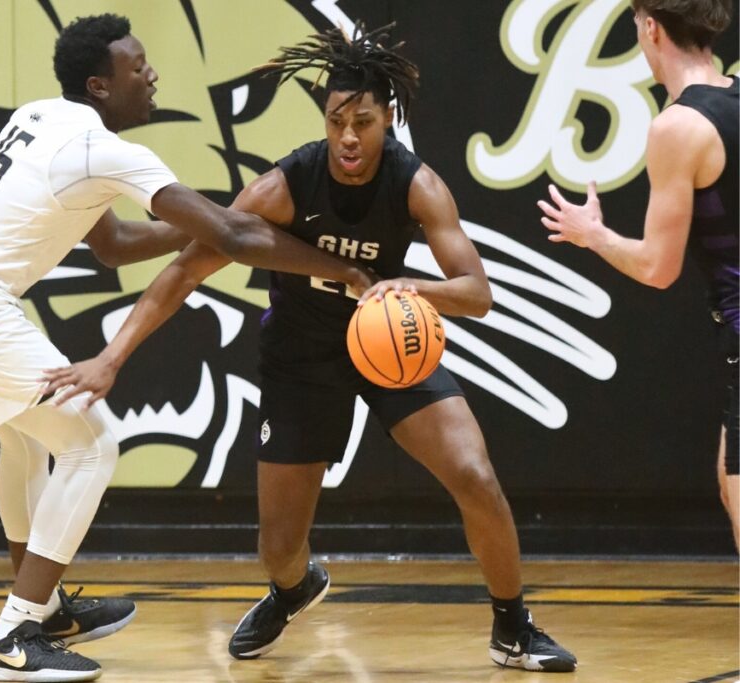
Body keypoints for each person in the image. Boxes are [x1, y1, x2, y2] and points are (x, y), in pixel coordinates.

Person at [43, 22, 577, 674]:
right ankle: (293, 588)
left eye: (363, 123)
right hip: (301, 356)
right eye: (336, 122)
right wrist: (112, 357)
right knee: (278, 549)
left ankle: (513, 626)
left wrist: (408, 287)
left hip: (389, 342)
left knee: (475, 474)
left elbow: (476, 293)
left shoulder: (417, 185)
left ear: (388, 121)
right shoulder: (285, 184)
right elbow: (184, 271)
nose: (349, 137)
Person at [0, 13, 372, 683]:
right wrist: (340, 268)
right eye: (138, 67)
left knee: (24, 442)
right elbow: (235, 239)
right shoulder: (102, 147)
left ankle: (43, 609)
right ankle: (13, 635)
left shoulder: (39, 116)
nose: (152, 75)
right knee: (91, 443)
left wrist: (204, 225)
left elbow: (114, 245)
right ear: (99, 86)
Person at [539, 0, 737, 549]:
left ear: (651, 29)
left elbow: (657, 267)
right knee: (729, 482)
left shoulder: (678, 127)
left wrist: (592, 233)